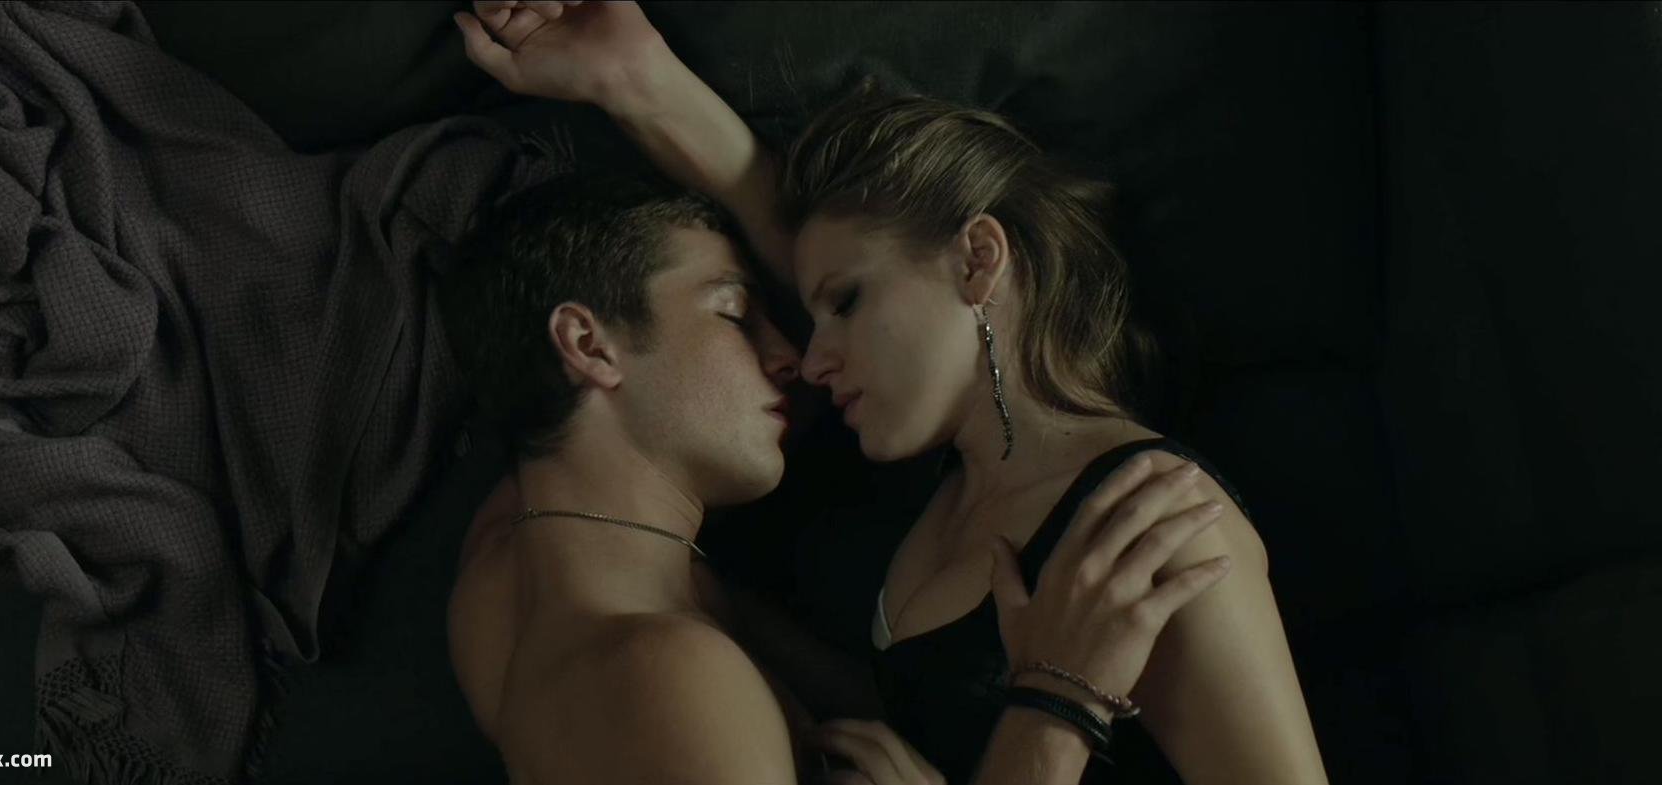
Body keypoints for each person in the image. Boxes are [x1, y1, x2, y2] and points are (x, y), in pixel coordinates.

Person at [451, 2, 1333, 784]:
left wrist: (1058, 701)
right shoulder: (937, 491)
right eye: (797, 313)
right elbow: (842, 262)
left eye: (843, 306)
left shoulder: (1157, 524)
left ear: (978, 260)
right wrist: (636, 79)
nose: (808, 357)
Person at [439, 160, 1232, 785]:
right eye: (732, 312)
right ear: (588, 344)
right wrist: (1059, 702)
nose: (790, 356)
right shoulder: (670, 675)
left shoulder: (500, 571)